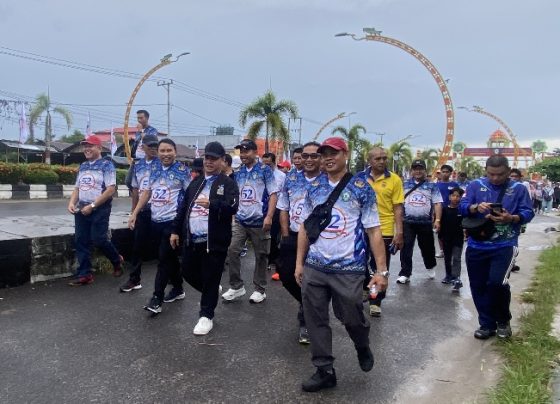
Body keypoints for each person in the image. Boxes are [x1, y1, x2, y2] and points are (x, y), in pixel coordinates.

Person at [294, 137, 388, 392]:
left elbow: (374, 231)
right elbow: (305, 228)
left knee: (352, 317)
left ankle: (361, 344)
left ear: (345, 154)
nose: (327, 158)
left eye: (333, 153)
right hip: (315, 265)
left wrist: (381, 271)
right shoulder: (314, 189)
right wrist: (299, 263)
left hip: (349, 268)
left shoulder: (361, 187)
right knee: (315, 319)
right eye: (324, 154)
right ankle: (324, 369)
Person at [460, 155, 534, 339]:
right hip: (477, 244)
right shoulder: (475, 185)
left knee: (496, 283)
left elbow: (528, 211)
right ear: (486, 171)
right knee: (478, 286)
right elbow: (461, 206)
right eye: (491, 174)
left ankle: (503, 321)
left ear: (508, 172)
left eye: (500, 174)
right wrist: (476, 207)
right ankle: (486, 324)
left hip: (505, 244)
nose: (495, 178)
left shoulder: (518, 189)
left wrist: (512, 218)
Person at [170, 142, 239, 335]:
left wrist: (213, 204)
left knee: (211, 276)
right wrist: (175, 230)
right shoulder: (196, 182)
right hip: (192, 239)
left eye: (213, 159)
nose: (209, 162)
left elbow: (232, 207)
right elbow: (183, 208)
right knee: (187, 271)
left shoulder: (227, 183)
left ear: (222, 161)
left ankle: (206, 315)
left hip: (214, 243)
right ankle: (210, 290)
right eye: (207, 158)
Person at [128, 139, 191, 314]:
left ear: (175, 151)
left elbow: (188, 198)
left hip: (173, 223)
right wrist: (134, 213)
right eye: (162, 151)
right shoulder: (154, 169)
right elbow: (146, 192)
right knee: (168, 259)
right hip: (155, 221)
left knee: (163, 260)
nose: (165, 154)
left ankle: (156, 298)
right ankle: (178, 289)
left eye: (168, 150)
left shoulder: (182, 171)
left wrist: (181, 225)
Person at [222, 139, 279, 303]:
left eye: (246, 151)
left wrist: (268, 216)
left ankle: (260, 289)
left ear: (255, 152)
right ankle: (236, 286)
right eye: (241, 151)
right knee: (233, 250)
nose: (243, 154)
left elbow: (273, 194)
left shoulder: (264, 170)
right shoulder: (239, 172)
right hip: (241, 220)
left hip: (259, 221)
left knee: (261, 256)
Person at [277, 141, 321, 344]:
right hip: (293, 235)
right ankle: (307, 303)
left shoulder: (327, 180)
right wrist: (285, 235)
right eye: (305, 156)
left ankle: (306, 321)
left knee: (309, 280)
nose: (309, 159)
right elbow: (284, 207)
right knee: (287, 276)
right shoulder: (291, 178)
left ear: (320, 157)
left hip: (319, 240)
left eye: (314, 156)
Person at [67, 135, 123, 286]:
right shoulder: (83, 166)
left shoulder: (107, 165)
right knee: (81, 240)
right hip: (81, 208)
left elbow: (111, 190)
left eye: (90, 146)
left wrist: (92, 206)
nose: (87, 149)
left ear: (99, 148)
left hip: (99, 209)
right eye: (85, 146)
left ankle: (117, 260)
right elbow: (77, 188)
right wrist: (72, 202)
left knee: (99, 239)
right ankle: (84, 274)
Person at [358, 146, 404, 317]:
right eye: (377, 159)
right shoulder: (360, 178)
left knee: (379, 265)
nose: (382, 161)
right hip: (361, 228)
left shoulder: (394, 180)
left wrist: (399, 232)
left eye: (384, 158)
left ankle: (375, 301)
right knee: (360, 263)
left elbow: (398, 207)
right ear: (369, 161)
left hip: (384, 228)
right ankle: (365, 289)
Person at [397, 159, 443, 284]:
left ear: (425, 170)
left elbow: (438, 203)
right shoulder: (404, 185)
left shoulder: (432, 186)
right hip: (408, 222)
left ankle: (430, 266)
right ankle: (405, 273)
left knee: (427, 248)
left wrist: (437, 219)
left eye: (420, 168)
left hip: (425, 223)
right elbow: (399, 204)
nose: (418, 171)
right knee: (406, 248)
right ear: (412, 171)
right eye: (415, 168)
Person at [261, 152, 286, 278]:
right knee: (261, 235)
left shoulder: (281, 176)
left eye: (268, 164)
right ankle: (263, 259)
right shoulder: (259, 174)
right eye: (263, 163)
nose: (265, 166)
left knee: (273, 235)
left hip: (276, 209)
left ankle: (272, 260)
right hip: (261, 208)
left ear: (274, 162)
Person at [438, 187, 465, 291]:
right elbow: (441, 224)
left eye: (458, 196)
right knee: (447, 258)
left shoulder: (462, 210)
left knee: (457, 258)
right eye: (453, 195)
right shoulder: (444, 210)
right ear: (449, 197)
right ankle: (448, 276)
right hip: (446, 238)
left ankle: (456, 278)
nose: (455, 198)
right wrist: (440, 236)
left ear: (461, 198)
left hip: (458, 238)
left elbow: (465, 223)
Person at [125, 110, 158, 189]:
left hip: (147, 159)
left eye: (141, 118)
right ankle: (136, 197)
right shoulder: (137, 133)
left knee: (144, 180)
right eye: (138, 118)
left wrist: (140, 131)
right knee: (129, 181)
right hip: (136, 159)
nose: (139, 120)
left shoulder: (152, 130)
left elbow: (149, 141)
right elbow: (138, 143)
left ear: (147, 118)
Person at [435, 164, 459, 258]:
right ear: (440, 172)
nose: (445, 174)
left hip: (453, 210)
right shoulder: (436, 185)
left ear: (450, 173)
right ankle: (441, 250)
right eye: (443, 172)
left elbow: (459, 197)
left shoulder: (454, 185)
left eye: (447, 172)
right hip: (440, 211)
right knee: (440, 231)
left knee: (452, 230)